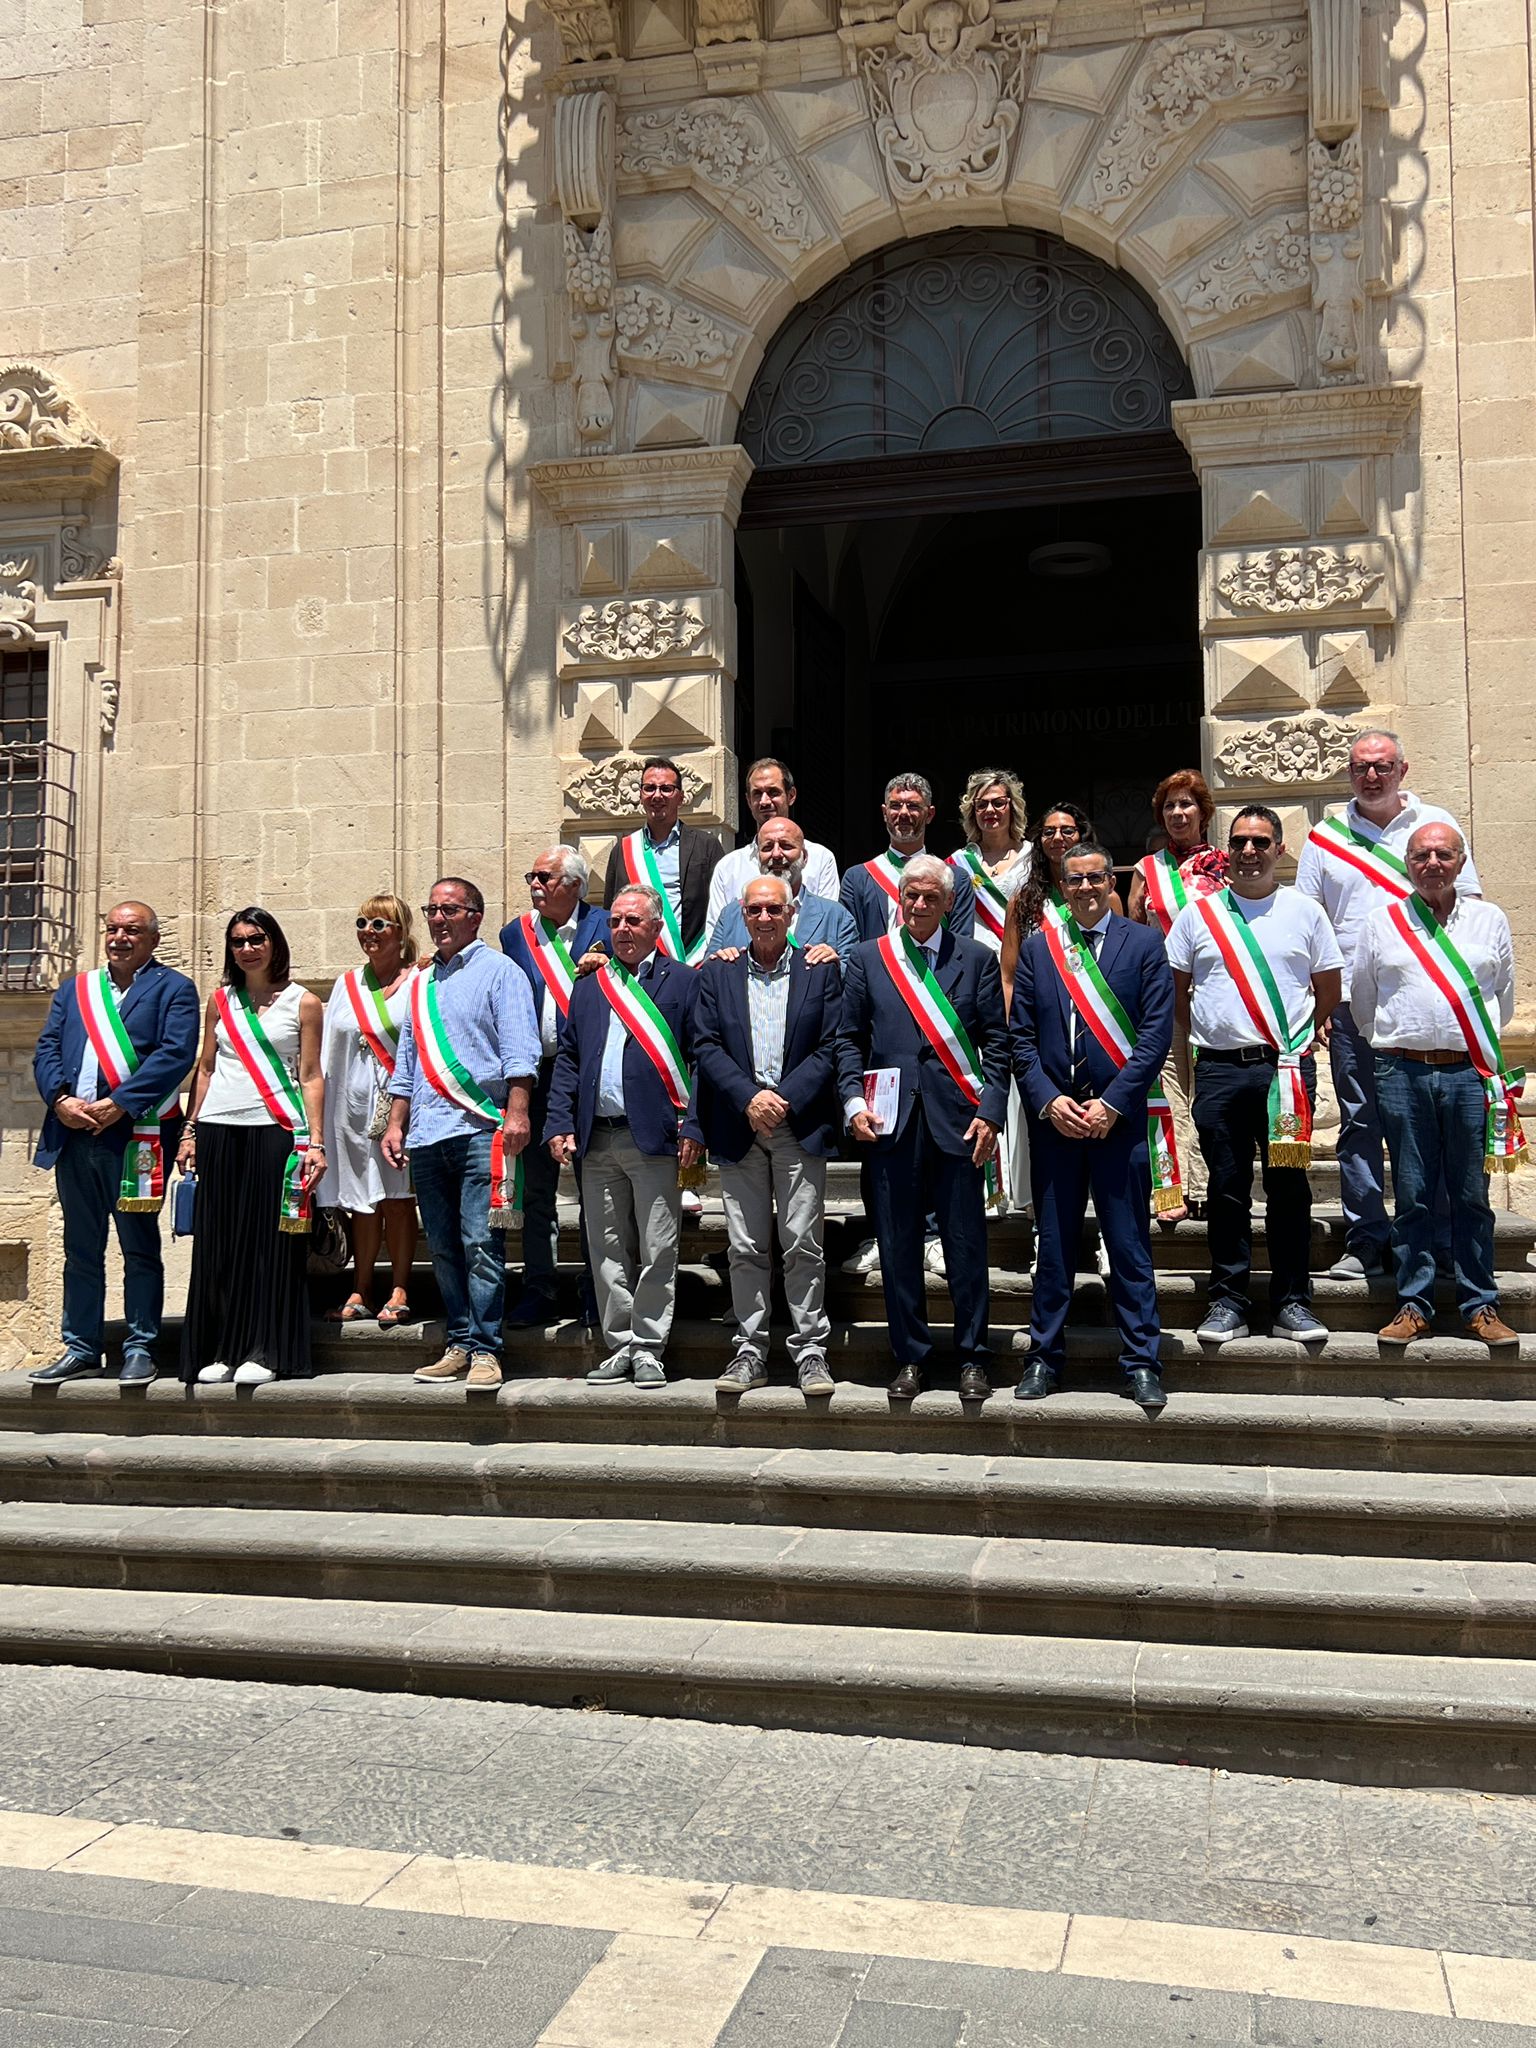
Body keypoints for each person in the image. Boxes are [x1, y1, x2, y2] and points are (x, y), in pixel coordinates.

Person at [1295, 729, 1481, 1280]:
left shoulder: (1434, 827)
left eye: (1382, 765)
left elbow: (1468, 906)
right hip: (1353, 1005)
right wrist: (1318, 1002)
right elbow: (1310, 923)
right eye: (1360, 767)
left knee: (1431, 1122)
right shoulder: (1324, 838)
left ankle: (1437, 1240)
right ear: (1348, 773)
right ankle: (1368, 1237)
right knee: (1359, 1121)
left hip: (1425, 1004)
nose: (1371, 775)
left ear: (1404, 768)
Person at [1166, 808, 1343, 1345]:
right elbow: (1177, 996)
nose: (1248, 851)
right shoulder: (1198, 916)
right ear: (1227, 849)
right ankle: (1228, 1301)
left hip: (1285, 1071)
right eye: (1239, 841)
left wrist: (1302, 1039)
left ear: (1279, 848)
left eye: (1260, 842)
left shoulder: (1305, 911)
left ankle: (1292, 1302)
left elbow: (1328, 988)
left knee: (1288, 1188)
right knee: (1225, 1189)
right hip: (1219, 1072)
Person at [836, 855, 1008, 1403]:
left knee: (964, 1246)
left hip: (959, 1121)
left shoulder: (977, 959)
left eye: (930, 896)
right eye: (910, 895)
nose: (918, 904)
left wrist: (992, 1111)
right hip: (888, 1123)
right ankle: (910, 1356)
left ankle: (974, 1357)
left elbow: (998, 1047)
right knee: (898, 1245)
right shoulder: (869, 959)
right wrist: (849, 1102)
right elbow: (847, 1039)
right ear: (899, 899)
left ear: (948, 902)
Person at [1011, 843, 1174, 1411]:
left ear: (1111, 882)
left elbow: (1156, 1036)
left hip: (1117, 1123)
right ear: (1063, 884)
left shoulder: (1146, 944)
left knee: (1128, 1245)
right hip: (1056, 1122)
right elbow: (1021, 1038)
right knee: (1053, 1247)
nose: (1083, 888)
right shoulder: (1039, 949)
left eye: (1094, 878)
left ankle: (1141, 1362)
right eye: (1073, 879)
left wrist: (1113, 1104)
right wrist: (1047, 1099)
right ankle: (1042, 1358)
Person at [1350, 822, 1522, 1350]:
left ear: (1461, 861)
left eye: (1443, 854)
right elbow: (1363, 1001)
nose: (1431, 864)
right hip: (1402, 1071)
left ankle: (1479, 1304)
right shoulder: (1383, 922)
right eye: (1420, 855)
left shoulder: (1489, 919)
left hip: (1470, 1072)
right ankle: (1414, 1303)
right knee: (1414, 1191)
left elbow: (1505, 999)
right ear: (1407, 862)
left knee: (1471, 1193)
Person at [29, 902, 199, 1385]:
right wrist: (60, 1099)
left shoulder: (173, 989)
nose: (120, 938)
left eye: (132, 930)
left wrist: (119, 1103)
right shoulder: (76, 990)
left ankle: (140, 1346)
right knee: (81, 1249)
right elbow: (47, 1048)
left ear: (151, 939)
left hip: (137, 1139)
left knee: (138, 1248)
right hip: (76, 1134)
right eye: (113, 929)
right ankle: (80, 1347)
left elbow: (175, 1054)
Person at [382, 877, 540, 1390]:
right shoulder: (421, 984)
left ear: (475, 915)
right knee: (444, 1246)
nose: (438, 919)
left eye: (450, 910)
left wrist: (518, 1113)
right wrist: (395, 1121)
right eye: (431, 910)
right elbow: (406, 1061)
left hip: (481, 1128)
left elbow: (521, 1051)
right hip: (428, 1132)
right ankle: (459, 1340)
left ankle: (487, 1350)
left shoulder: (502, 972)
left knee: (480, 1241)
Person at [545, 884, 703, 1389]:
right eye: (615, 921)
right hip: (596, 1138)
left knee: (658, 1246)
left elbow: (702, 1059)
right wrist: (559, 1121)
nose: (622, 930)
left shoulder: (682, 982)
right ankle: (621, 1344)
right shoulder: (590, 985)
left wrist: (695, 1125)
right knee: (606, 1248)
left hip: (654, 1136)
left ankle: (650, 1346)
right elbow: (568, 1058)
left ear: (657, 927)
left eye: (634, 921)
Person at [691, 875, 842, 1398]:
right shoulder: (719, 973)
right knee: (746, 1245)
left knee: (803, 1243)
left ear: (791, 912)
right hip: (739, 1125)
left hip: (798, 1126)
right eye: (754, 910)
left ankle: (810, 1351)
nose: (764, 919)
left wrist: (783, 1099)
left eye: (773, 910)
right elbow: (705, 1044)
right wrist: (748, 1098)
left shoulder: (821, 970)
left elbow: (832, 1045)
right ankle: (750, 1350)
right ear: (741, 912)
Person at [178, 908, 326, 1386]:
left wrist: (316, 1143)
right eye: (238, 941)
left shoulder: (303, 1002)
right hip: (220, 1127)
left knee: (270, 1245)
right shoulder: (220, 1001)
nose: (247, 948)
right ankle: (225, 1348)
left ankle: (265, 1348)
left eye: (256, 938)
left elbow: (310, 1075)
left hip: (276, 1129)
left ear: (274, 942)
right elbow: (204, 1068)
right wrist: (190, 1130)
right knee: (220, 1243)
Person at [498, 847, 610, 1328]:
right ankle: (540, 1286)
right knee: (539, 1191)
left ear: (576, 885)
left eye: (545, 876)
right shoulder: (514, 934)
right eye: (532, 875)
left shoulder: (608, 924)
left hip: (591, 1074)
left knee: (596, 1190)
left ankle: (596, 1289)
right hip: (536, 1077)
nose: (535, 884)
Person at [1127, 769, 1229, 1223]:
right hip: (1160, 995)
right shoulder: (1147, 870)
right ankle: (1171, 1190)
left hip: (1213, 996)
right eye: (1169, 806)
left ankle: (1205, 1185)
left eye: (1186, 804)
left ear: (1203, 813)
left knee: (1206, 1091)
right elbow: (1133, 933)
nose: (1177, 813)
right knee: (1165, 1092)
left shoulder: (1228, 865)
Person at [317, 893, 420, 1329]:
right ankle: (360, 1285)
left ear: (400, 932)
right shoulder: (345, 984)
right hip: (350, 1106)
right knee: (359, 1201)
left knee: (397, 1198)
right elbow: (328, 1052)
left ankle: (399, 1286)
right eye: (362, 923)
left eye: (379, 925)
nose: (369, 933)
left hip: (398, 1103)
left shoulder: (420, 979)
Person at [950, 768, 1031, 1212]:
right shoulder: (958, 863)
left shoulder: (1036, 858)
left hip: (1025, 975)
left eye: (999, 802)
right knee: (984, 1072)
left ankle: (1021, 1185)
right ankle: (988, 1189)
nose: (991, 810)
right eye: (982, 803)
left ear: (1012, 807)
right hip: (977, 978)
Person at [1000, 801, 1122, 1011]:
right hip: (1044, 1012)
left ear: (1081, 836)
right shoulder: (1022, 903)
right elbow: (1008, 977)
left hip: (1101, 1015)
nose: (1057, 838)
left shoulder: (1108, 899)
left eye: (1067, 831)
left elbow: (1120, 961)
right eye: (1049, 832)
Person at [602, 757, 724, 966]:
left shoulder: (707, 846)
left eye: (666, 789)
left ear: (681, 797)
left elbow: (722, 908)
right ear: (641, 795)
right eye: (649, 788)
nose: (657, 795)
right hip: (638, 965)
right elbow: (610, 911)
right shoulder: (623, 850)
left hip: (693, 962)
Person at [705, 758, 840, 935]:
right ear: (747, 800)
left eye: (773, 792)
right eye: (757, 794)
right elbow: (716, 935)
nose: (764, 801)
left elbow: (828, 925)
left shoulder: (821, 858)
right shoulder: (729, 867)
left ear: (791, 795)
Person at [840, 773, 976, 943]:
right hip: (879, 968)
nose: (903, 813)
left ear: (930, 814)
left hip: (936, 970)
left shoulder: (957, 879)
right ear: (884, 812)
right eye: (895, 805)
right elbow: (849, 946)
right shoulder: (857, 879)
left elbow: (961, 946)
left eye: (913, 806)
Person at [705, 818, 858, 958]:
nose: (776, 854)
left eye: (786, 846)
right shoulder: (731, 915)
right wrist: (720, 965)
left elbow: (853, 978)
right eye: (767, 847)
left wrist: (834, 967)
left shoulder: (837, 916)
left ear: (804, 857)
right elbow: (708, 974)